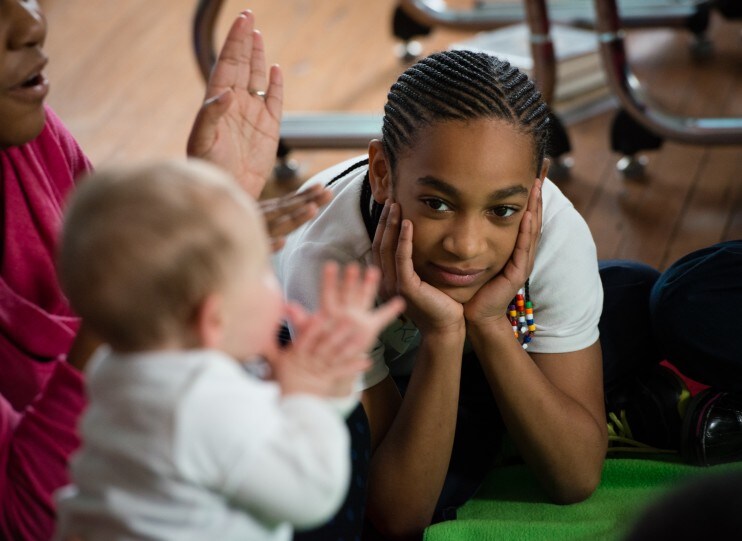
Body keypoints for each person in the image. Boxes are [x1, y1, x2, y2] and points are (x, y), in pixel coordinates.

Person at [0, 3, 325, 539]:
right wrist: (153, 278)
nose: (32, 22)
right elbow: (26, 520)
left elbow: (115, 267)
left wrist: (208, 204)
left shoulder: (27, 131)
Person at [275, 50, 612, 540]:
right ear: (383, 174)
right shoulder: (328, 265)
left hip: (472, 342)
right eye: (437, 203)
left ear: (537, 184)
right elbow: (397, 513)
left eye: (502, 210)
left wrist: (492, 323)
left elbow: (575, 478)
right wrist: (443, 333)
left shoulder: (556, 229)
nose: (465, 246)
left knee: (629, 291)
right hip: (299, 346)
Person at [52, 159, 404, 541]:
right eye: (261, 271)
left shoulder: (116, 364)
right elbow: (312, 495)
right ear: (215, 318)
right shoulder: (199, 404)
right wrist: (311, 395)